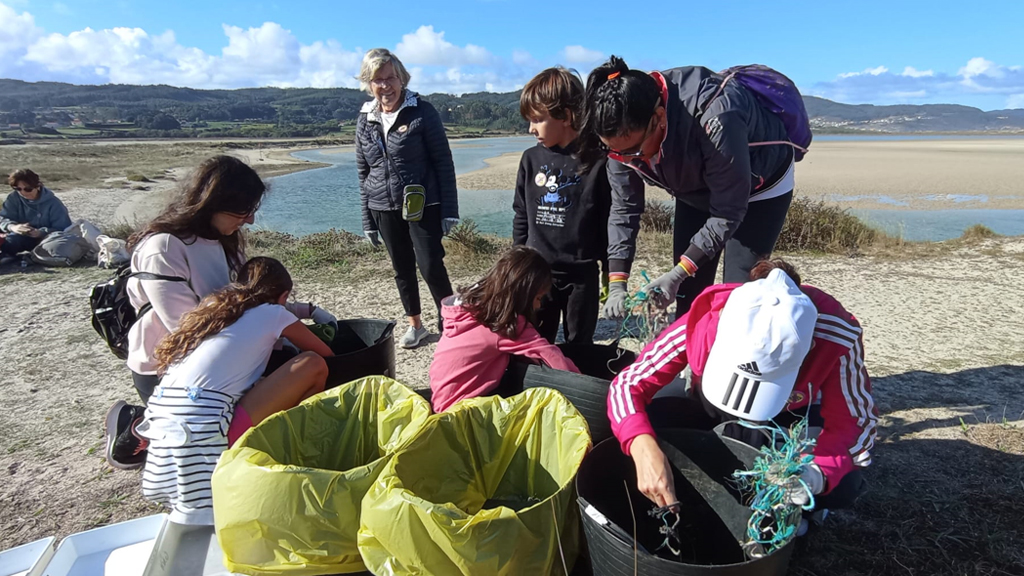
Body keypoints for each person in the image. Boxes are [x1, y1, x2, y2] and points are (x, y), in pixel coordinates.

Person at [104, 155, 336, 470]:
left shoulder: (225, 242)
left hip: (223, 360)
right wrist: (274, 329)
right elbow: (189, 327)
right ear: (213, 202)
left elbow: (247, 300)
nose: (251, 220)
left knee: (294, 378)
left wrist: (304, 311)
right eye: (245, 210)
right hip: (172, 369)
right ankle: (137, 428)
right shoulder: (163, 249)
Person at [608, 260, 876, 529]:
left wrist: (816, 475)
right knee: (654, 418)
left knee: (844, 483)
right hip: (710, 404)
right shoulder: (709, 315)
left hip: (787, 420)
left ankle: (802, 513)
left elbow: (855, 423)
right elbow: (628, 384)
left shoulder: (836, 334)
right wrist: (642, 447)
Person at [579, 56, 798, 319]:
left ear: (659, 117)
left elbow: (727, 213)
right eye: (616, 153)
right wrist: (617, 282)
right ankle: (695, 358)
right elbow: (624, 209)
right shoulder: (621, 139)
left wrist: (676, 273)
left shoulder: (717, 115)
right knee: (688, 298)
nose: (628, 160)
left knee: (740, 297)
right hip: (693, 186)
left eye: (635, 151)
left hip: (760, 187)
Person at [137, 256, 332, 526]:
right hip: (207, 437)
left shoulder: (213, 310)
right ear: (283, 295)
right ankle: (296, 443)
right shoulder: (275, 313)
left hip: (162, 437)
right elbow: (325, 352)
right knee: (312, 364)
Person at [356, 48, 459, 349]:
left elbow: (443, 161)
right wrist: (367, 221)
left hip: (423, 203)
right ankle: (416, 325)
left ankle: (449, 325)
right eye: (378, 80)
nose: (385, 85)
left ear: (402, 79)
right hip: (381, 205)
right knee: (401, 267)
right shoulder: (364, 119)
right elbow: (364, 171)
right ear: (369, 83)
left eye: (391, 78)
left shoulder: (422, 112)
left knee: (430, 265)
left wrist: (449, 210)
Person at [513, 67, 611, 345]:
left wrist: (610, 273)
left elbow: (607, 220)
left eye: (537, 119)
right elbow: (521, 214)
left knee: (578, 345)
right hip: (538, 273)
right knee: (535, 343)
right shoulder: (530, 159)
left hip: (582, 275)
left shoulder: (598, 162)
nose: (531, 128)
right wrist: (517, 262)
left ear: (566, 116)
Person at [428, 246, 580, 412]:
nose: (538, 306)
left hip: (441, 402)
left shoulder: (468, 309)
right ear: (523, 294)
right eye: (538, 298)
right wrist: (585, 385)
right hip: (463, 412)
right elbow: (552, 356)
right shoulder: (502, 324)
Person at [1, 169, 72, 259]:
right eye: (18, 189)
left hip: (43, 240)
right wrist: (13, 227)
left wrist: (40, 232)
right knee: (9, 239)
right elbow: (3, 217)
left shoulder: (53, 203)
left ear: (37, 186)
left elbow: (64, 229)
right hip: (17, 233)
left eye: (28, 189)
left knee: (12, 241)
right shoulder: (14, 198)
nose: (23, 192)